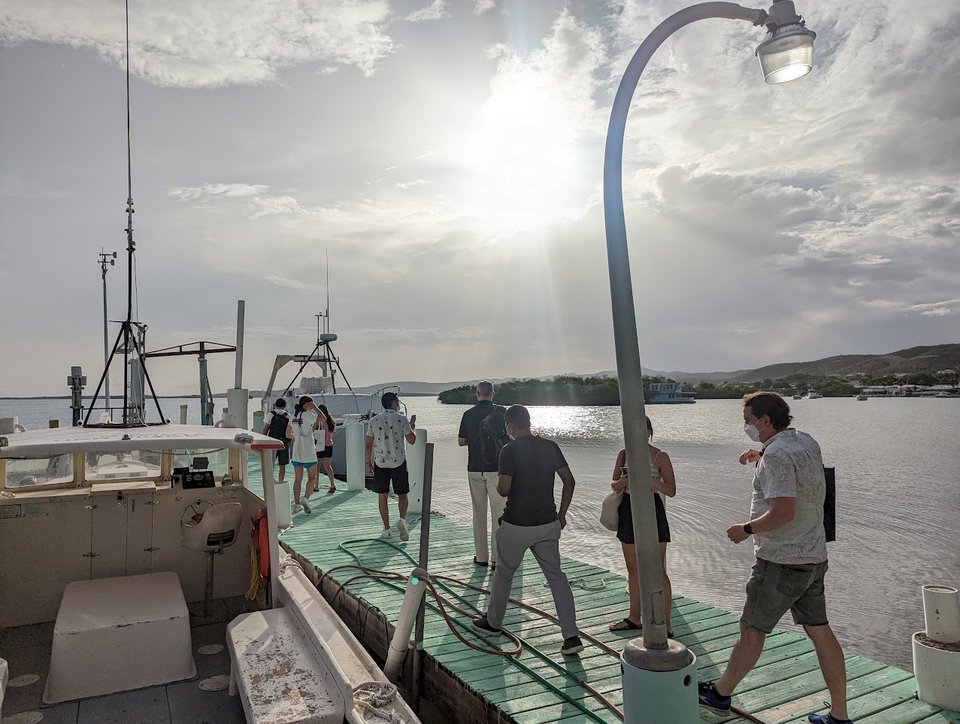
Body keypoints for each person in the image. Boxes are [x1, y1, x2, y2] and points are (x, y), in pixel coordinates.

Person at [699, 392, 852, 724]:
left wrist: (747, 529)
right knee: (820, 630)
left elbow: (782, 511)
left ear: (764, 421)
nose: (745, 426)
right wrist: (762, 453)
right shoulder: (804, 442)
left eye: (748, 421)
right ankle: (839, 715)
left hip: (781, 561)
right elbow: (799, 474)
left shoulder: (777, 457)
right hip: (813, 556)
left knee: (752, 629)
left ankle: (720, 694)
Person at [472, 405, 584, 656]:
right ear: (529, 422)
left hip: (516, 525)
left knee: (503, 574)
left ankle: (493, 623)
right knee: (556, 576)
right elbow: (570, 481)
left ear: (510, 427)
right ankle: (571, 635)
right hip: (547, 524)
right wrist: (562, 515)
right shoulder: (550, 446)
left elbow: (503, 489)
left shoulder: (508, 450)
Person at [608, 415, 676, 634]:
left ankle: (666, 623)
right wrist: (625, 481)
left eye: (641, 431)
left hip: (651, 508)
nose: (636, 436)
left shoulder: (660, 456)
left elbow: (672, 490)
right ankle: (634, 618)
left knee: (657, 569)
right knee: (633, 569)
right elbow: (614, 484)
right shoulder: (623, 454)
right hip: (628, 508)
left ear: (649, 432)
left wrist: (651, 481)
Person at [457, 380, 508, 569]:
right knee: (499, 513)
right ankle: (497, 559)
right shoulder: (501, 413)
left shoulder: (468, 414)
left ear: (477, 394)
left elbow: (461, 441)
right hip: (497, 468)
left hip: (474, 468)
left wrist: (475, 440)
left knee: (478, 513)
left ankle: (481, 557)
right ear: (493, 394)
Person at [365, 392, 417, 540]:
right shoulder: (401, 419)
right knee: (402, 494)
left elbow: (368, 445)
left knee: (383, 496)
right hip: (398, 461)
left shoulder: (374, 420)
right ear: (394, 403)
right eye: (397, 401)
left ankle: (386, 528)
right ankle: (402, 520)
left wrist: (368, 462)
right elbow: (412, 440)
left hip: (380, 462)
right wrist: (412, 425)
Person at [286, 396, 318, 514]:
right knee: (312, 478)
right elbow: (323, 418)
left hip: (297, 451)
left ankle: (297, 504)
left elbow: (288, 433)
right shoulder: (309, 415)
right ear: (306, 404)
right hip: (309, 451)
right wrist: (315, 407)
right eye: (310, 403)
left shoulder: (292, 416)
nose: (311, 406)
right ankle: (305, 498)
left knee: (297, 479)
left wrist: (297, 437)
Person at [262, 398, 292, 482]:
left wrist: (263, 441)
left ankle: (270, 480)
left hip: (272, 441)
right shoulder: (288, 416)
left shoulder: (271, 414)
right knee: (282, 465)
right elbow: (289, 431)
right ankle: (280, 481)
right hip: (284, 443)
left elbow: (265, 429)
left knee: (271, 463)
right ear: (285, 406)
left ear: (275, 405)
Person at [315, 404, 337, 494]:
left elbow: (313, 429)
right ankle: (332, 484)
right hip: (329, 445)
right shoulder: (331, 421)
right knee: (328, 466)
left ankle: (316, 486)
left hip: (320, 445)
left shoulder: (319, 420)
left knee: (317, 466)